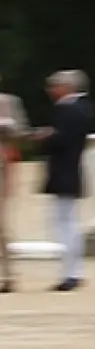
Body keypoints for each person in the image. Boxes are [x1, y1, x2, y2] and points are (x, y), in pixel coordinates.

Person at [40, 70, 92, 291]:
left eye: (55, 86)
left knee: (63, 224)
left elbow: (60, 140)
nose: (51, 91)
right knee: (69, 222)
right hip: (72, 170)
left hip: (63, 171)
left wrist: (45, 137)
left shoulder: (65, 108)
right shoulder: (83, 108)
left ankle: (70, 272)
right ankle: (74, 270)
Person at [0, 80, 24, 293]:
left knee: (1, 225)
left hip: (1, 164)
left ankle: (8, 275)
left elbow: (20, 131)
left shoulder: (8, 102)